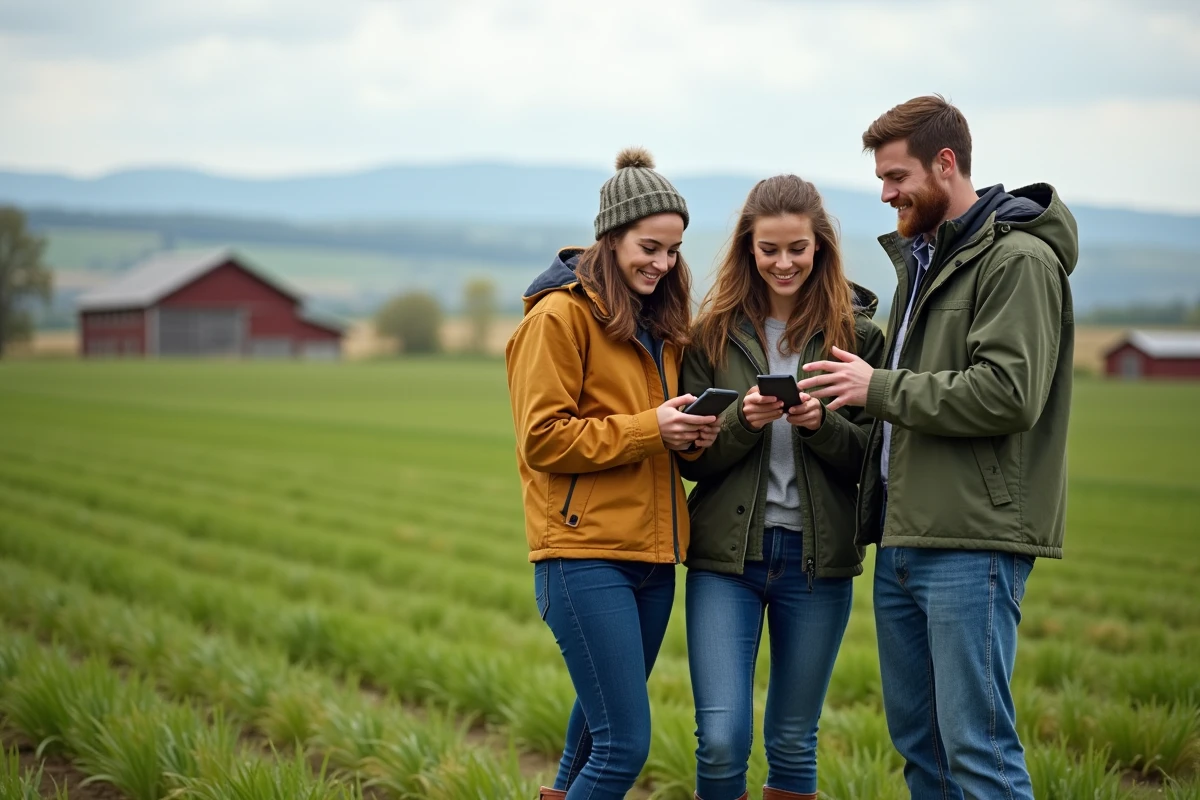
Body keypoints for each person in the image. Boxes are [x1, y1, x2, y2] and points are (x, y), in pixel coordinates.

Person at [797, 95, 1078, 800]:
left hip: (971, 541)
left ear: (945, 164)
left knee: (977, 752)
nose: (887, 194)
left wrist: (879, 387)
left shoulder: (1018, 262)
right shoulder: (920, 263)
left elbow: (1009, 394)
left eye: (897, 177)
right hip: (904, 538)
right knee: (923, 753)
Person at [506, 147, 722, 800]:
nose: (660, 263)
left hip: (654, 559)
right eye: (648, 247)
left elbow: (665, 440)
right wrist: (651, 427)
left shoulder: (665, 329)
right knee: (625, 747)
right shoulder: (559, 318)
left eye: (673, 251)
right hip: (581, 556)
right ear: (611, 237)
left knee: (595, 739)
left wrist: (691, 436)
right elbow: (543, 438)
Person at [678, 174, 885, 800]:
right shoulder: (710, 335)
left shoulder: (860, 337)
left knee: (794, 739)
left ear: (819, 246)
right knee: (720, 737)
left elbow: (872, 463)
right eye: (769, 249)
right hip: (725, 563)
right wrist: (741, 419)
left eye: (797, 247)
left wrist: (821, 427)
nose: (784, 262)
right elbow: (691, 461)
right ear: (748, 248)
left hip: (817, 566)